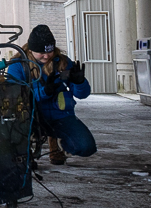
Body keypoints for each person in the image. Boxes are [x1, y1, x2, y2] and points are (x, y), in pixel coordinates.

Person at [7, 25, 96, 165]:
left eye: (50, 51)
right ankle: (26, 154)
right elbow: (15, 98)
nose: (47, 56)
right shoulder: (18, 65)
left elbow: (82, 95)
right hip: (29, 117)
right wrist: (44, 92)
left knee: (86, 147)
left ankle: (60, 143)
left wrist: (80, 83)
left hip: (60, 115)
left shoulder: (62, 62)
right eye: (41, 52)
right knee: (14, 147)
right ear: (31, 49)